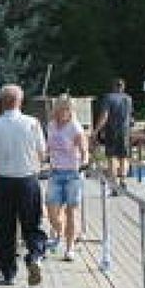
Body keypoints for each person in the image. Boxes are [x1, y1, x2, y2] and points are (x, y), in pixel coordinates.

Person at [0, 84, 48, 287]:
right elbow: (42, 153)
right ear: (20, 101)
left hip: (2, 181)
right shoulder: (33, 123)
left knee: (3, 229)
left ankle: (7, 271)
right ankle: (35, 255)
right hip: (28, 178)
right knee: (32, 223)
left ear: (1, 102)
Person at [45, 95, 88, 261]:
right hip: (55, 172)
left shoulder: (75, 127)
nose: (63, 112)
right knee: (51, 211)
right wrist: (43, 157)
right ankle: (58, 229)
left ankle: (69, 249)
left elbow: (84, 149)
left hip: (72, 173)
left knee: (71, 211)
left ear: (71, 111)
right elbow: (48, 147)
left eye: (67, 109)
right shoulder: (51, 125)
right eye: (61, 109)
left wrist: (84, 161)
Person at [93, 78, 133, 194]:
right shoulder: (128, 99)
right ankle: (123, 181)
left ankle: (114, 186)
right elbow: (130, 118)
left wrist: (96, 131)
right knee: (124, 157)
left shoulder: (108, 98)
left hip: (112, 131)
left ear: (113, 87)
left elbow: (105, 116)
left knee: (112, 158)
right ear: (123, 87)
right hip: (125, 132)